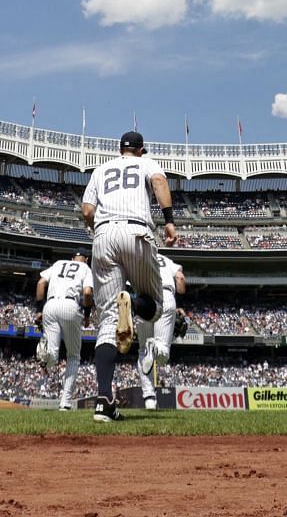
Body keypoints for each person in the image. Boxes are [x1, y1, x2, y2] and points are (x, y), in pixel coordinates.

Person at [80, 129, 177, 422]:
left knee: (108, 322)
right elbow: (159, 182)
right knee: (156, 308)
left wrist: (100, 228)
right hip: (137, 232)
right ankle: (133, 301)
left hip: (104, 234)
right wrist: (170, 221)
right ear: (142, 149)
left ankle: (103, 402)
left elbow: (87, 211)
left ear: (119, 149)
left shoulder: (101, 169)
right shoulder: (147, 164)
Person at [34, 250, 94, 411]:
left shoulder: (59, 263)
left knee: (52, 356)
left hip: (50, 305)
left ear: (72, 258)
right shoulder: (86, 269)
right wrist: (87, 315)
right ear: (86, 260)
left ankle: (45, 351)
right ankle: (65, 403)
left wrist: (39, 309)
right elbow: (87, 293)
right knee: (73, 356)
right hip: (70, 305)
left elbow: (40, 283)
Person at [133, 252, 185, 411]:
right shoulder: (168, 260)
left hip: (144, 299)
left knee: (142, 351)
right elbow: (181, 280)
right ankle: (154, 347)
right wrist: (179, 300)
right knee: (163, 356)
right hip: (166, 295)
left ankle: (149, 398)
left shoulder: (138, 257)